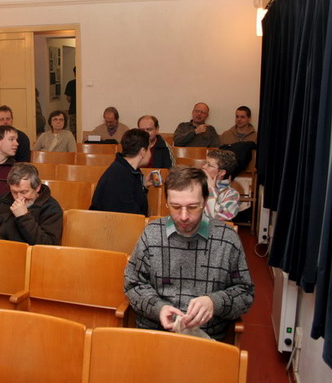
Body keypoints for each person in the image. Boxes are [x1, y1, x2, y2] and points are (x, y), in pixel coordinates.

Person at [124, 166, 254, 340]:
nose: (184, 216)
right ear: (166, 203)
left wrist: (214, 302)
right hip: (156, 333)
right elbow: (133, 284)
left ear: (205, 201)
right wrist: (159, 308)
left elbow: (245, 293)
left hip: (207, 338)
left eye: (193, 207)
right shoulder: (152, 234)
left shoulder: (227, 239)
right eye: (175, 207)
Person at [0, 163, 62, 245]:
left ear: (37, 187)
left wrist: (24, 217)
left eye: (24, 192)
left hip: (24, 254)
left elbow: (47, 245)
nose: (18, 198)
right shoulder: (4, 199)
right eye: (14, 192)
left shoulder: (51, 208)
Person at [90, 129, 153, 216]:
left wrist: (143, 186)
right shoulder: (119, 176)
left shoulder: (127, 169)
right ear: (143, 151)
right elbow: (129, 214)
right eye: (149, 149)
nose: (150, 154)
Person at [203, 149, 240, 221]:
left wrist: (211, 189)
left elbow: (216, 218)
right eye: (205, 163)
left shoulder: (232, 195)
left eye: (209, 165)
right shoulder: (196, 185)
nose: (204, 166)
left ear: (221, 172)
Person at [64, 67, 77, 135]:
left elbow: (68, 99)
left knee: (74, 132)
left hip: (73, 110)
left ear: (74, 74)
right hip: (84, 110)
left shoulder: (70, 83)